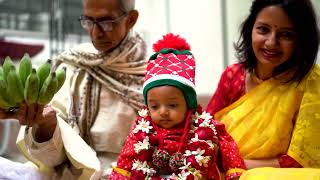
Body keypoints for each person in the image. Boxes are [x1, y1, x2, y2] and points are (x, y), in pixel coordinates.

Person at [0, 0, 147, 179]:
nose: (95, 33)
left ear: (131, 19)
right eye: (88, 21)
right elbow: (52, 159)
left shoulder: (153, 76)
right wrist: (46, 126)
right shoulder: (72, 66)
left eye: (106, 23)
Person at [206, 0, 320, 178]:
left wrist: (236, 164)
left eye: (286, 35)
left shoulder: (310, 82)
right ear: (250, 28)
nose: (271, 42)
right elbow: (204, 134)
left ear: (300, 40)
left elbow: (301, 162)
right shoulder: (233, 76)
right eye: (263, 30)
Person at [109, 33, 246, 179]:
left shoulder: (206, 127)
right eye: (154, 106)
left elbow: (228, 146)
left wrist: (234, 169)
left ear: (189, 104)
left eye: (172, 105)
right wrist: (120, 175)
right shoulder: (142, 131)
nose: (163, 112)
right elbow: (128, 156)